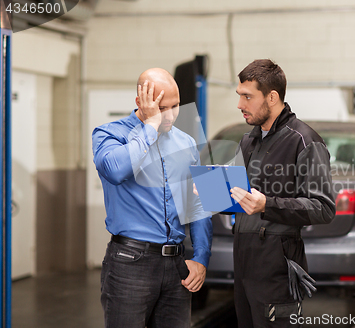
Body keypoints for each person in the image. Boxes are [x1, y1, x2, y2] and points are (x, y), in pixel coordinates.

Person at [92, 68, 212, 328]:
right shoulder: (109, 134)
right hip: (130, 264)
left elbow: (199, 203)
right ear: (141, 102)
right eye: (161, 107)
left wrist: (201, 257)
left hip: (177, 265)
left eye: (175, 106)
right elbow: (115, 171)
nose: (169, 115)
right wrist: (149, 128)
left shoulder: (186, 142)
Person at [230, 59, 336, 327]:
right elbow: (241, 198)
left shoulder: (304, 141)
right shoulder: (248, 141)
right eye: (239, 96)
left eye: (247, 97)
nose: (240, 105)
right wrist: (211, 192)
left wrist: (267, 204)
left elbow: (323, 208)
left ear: (272, 97)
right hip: (243, 265)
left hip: (277, 269)